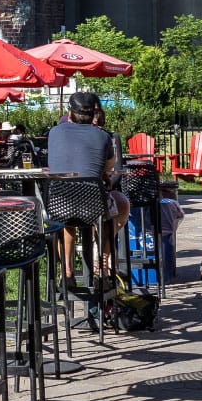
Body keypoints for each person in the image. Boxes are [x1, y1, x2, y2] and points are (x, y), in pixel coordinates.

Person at [47, 91, 127, 274]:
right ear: (94, 116)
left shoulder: (54, 133)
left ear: (69, 114)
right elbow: (110, 164)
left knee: (67, 218)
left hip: (58, 206)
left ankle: (66, 270)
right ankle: (102, 267)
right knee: (112, 213)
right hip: (94, 208)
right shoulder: (103, 137)